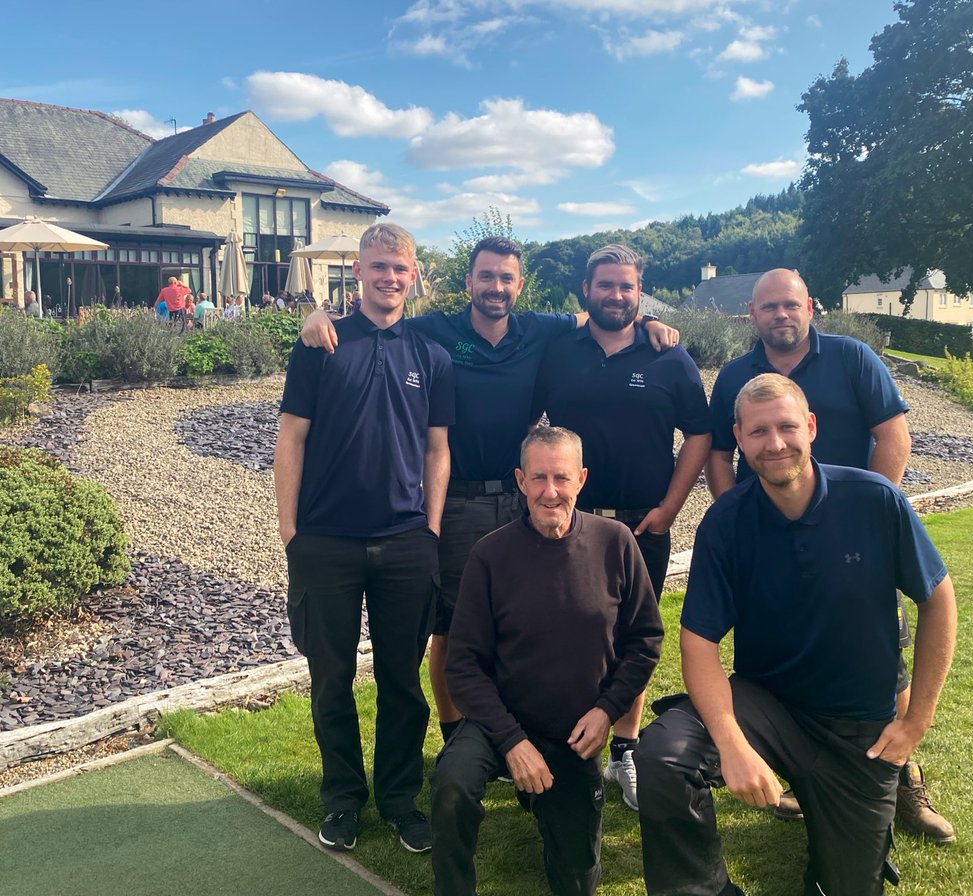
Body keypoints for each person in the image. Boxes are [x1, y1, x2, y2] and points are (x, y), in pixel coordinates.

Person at [300, 237, 679, 749]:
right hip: (456, 501)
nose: (496, 287)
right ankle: (459, 736)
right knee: (452, 627)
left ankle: (517, 731)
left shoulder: (539, 330)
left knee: (525, 618)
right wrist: (319, 315)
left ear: (519, 285)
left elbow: (602, 318)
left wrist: (651, 324)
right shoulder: (434, 329)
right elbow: (378, 319)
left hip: (520, 498)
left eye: (506, 278)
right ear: (468, 282)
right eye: (486, 276)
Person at [637, 373, 958, 896]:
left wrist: (916, 720)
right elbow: (698, 644)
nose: (775, 443)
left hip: (859, 730)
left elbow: (938, 601)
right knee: (663, 755)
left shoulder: (874, 500)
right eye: (759, 432)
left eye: (787, 427)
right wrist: (732, 743)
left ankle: (838, 829)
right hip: (767, 707)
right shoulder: (726, 521)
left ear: (810, 427)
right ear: (739, 439)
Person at [705, 269, 953, 844]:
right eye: (768, 307)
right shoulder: (736, 377)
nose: (780, 315)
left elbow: (893, 436)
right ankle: (802, 770)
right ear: (752, 314)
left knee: (881, 660)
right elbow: (720, 454)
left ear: (810, 307)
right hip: (771, 545)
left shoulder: (854, 357)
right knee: (780, 654)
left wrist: (865, 521)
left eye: (790, 305)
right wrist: (739, 520)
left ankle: (903, 776)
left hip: (856, 547)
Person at [274, 221, 454, 856]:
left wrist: (430, 529)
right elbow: (290, 439)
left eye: (400, 268)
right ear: (359, 272)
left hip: (406, 542)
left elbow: (438, 448)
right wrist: (291, 532)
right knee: (331, 679)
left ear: (413, 274)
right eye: (378, 266)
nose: (390, 277)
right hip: (325, 541)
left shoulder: (430, 355)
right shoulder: (321, 344)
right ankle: (343, 800)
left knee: (402, 682)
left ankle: (401, 799)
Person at [432, 426, 663, 896]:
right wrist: (512, 740)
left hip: (577, 729)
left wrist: (607, 711)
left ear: (581, 479)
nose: (550, 491)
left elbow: (645, 640)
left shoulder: (616, 543)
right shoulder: (490, 555)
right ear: (520, 480)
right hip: (501, 722)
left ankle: (547, 799)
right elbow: (463, 663)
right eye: (538, 477)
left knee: (577, 880)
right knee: (451, 783)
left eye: (561, 477)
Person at [531, 244, 710, 810]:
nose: (616, 295)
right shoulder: (558, 352)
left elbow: (700, 436)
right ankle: (555, 742)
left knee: (632, 640)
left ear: (640, 292)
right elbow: (525, 417)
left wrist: (672, 507)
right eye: (605, 285)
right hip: (569, 525)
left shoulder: (669, 358)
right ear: (586, 290)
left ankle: (624, 751)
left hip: (642, 528)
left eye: (626, 287)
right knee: (563, 636)